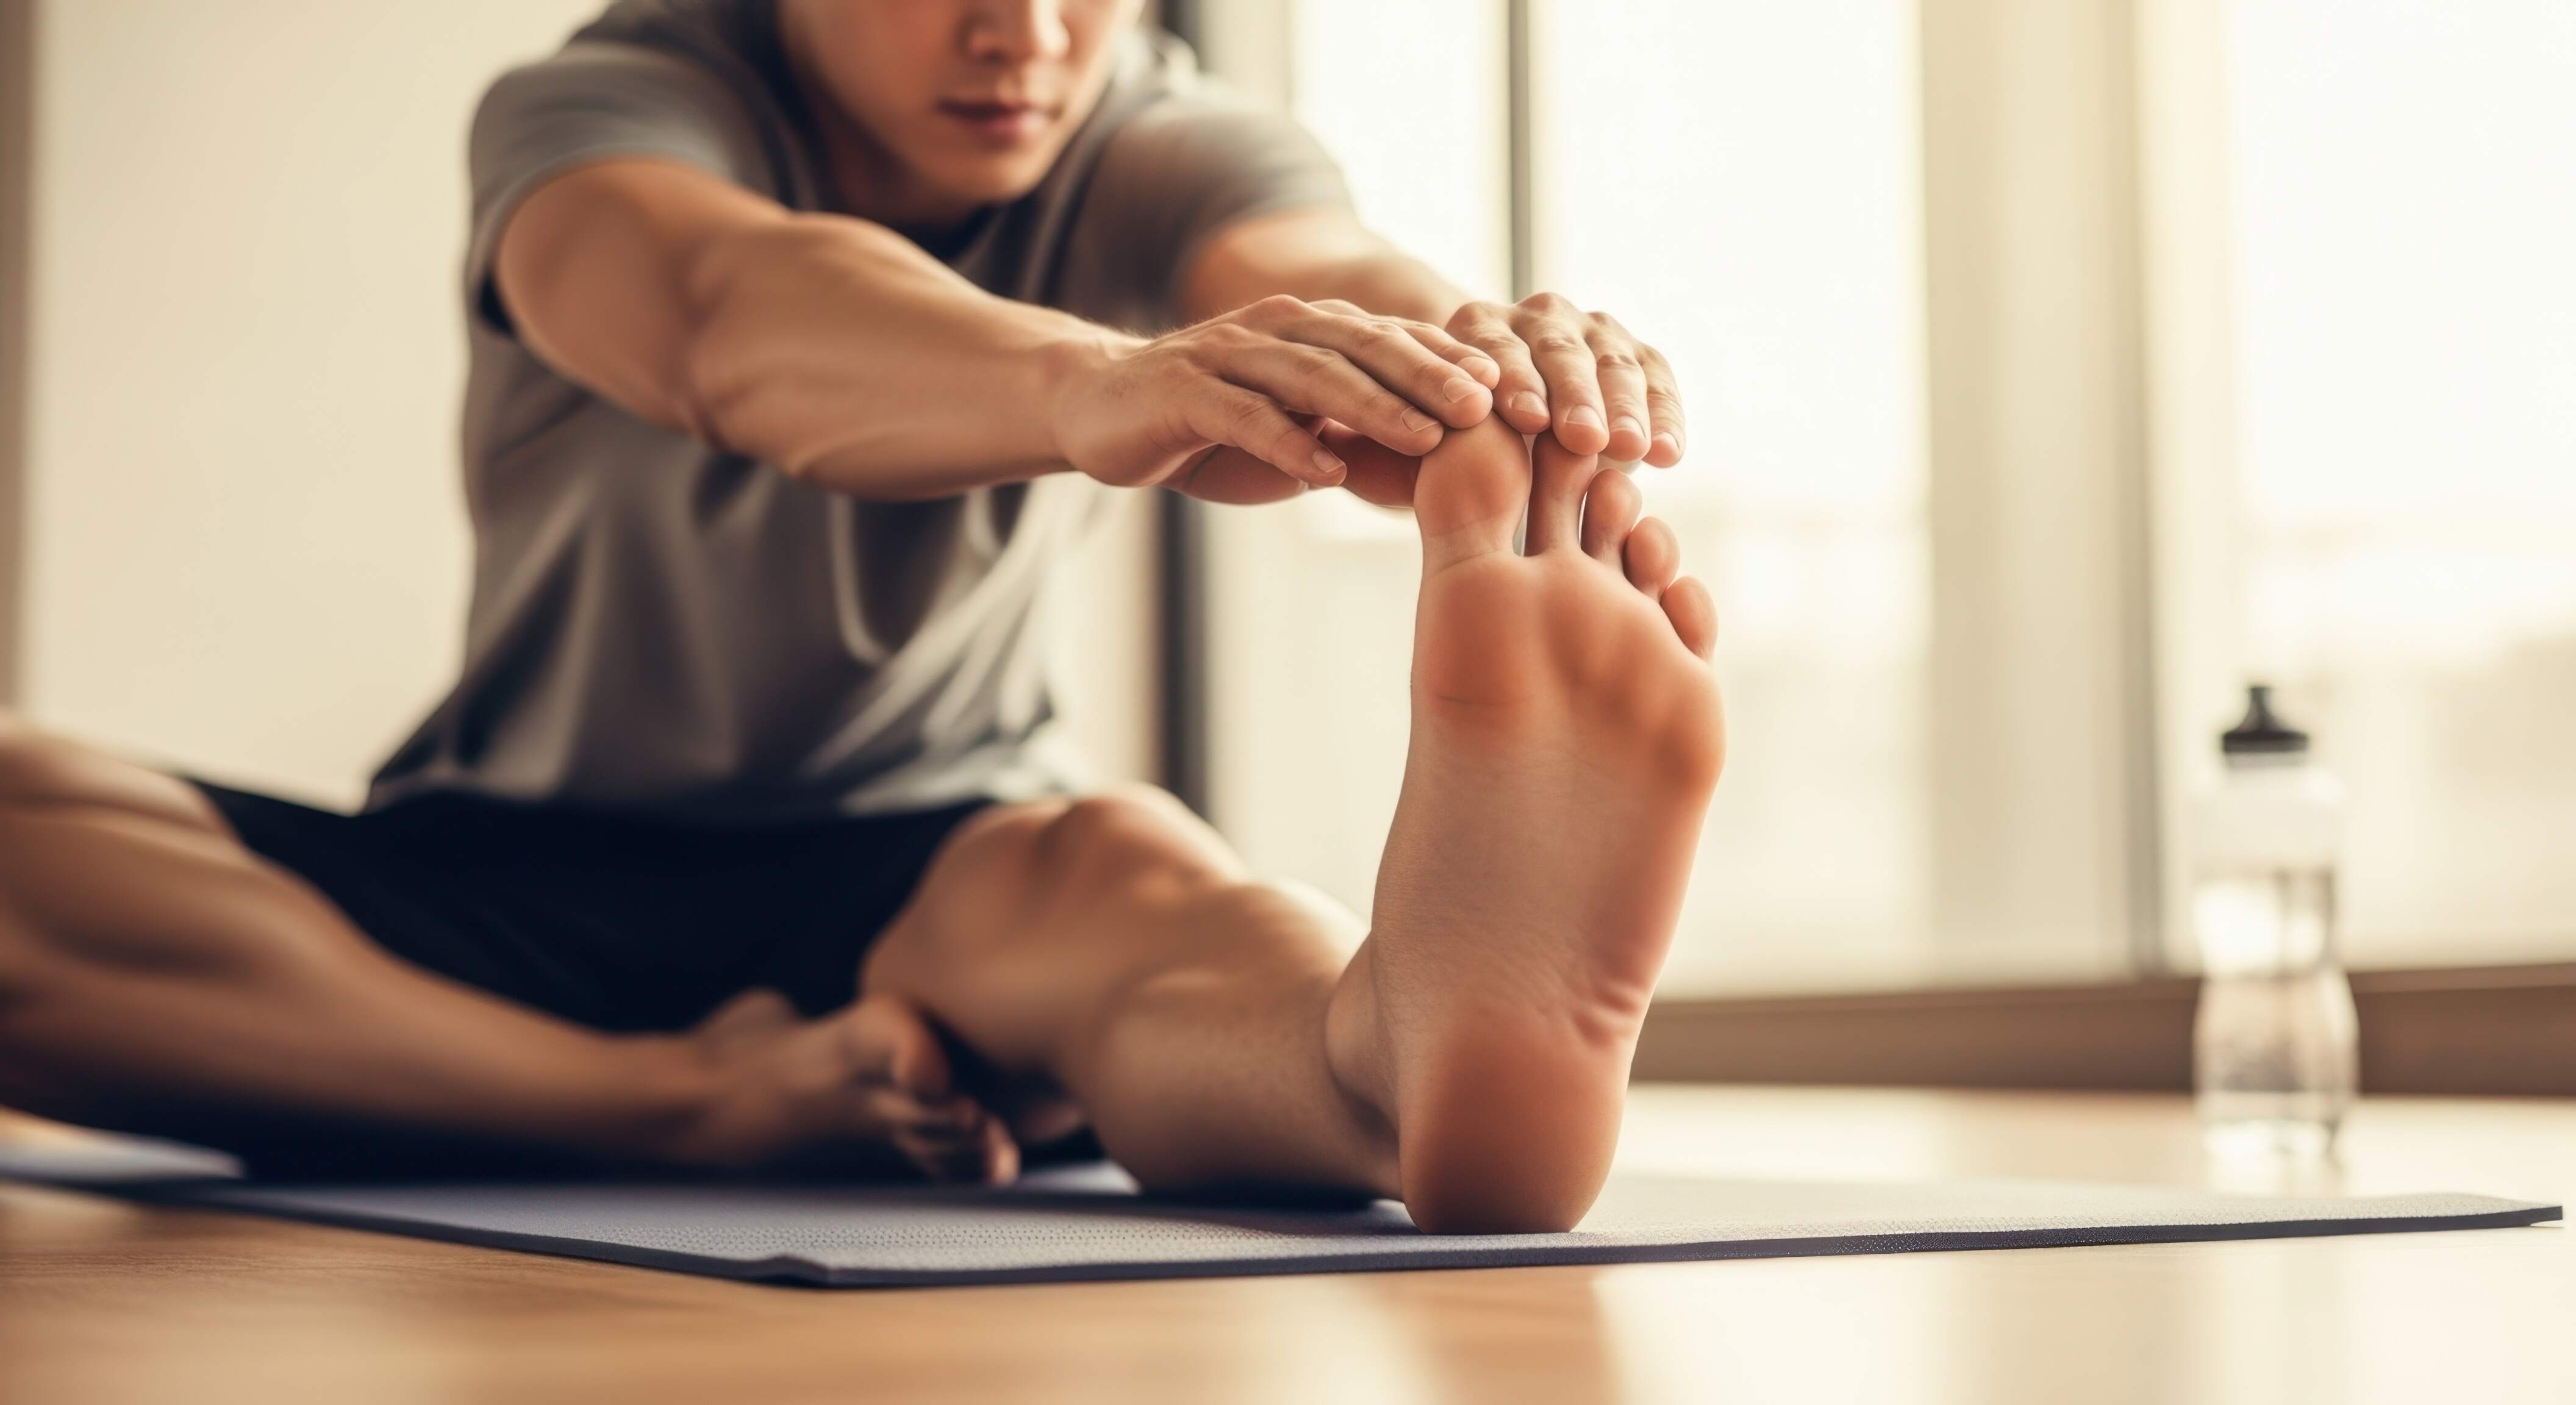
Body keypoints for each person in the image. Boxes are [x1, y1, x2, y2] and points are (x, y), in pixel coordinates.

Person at [0, 0, 1721, 1232]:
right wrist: (1098, 380)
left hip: (938, 873)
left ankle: (1394, 1059)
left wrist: (1473, 377)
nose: (1025, 32)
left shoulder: (1160, 132)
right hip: (502, 871)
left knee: (1130, 882)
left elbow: (1307, 255)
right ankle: (681, 1109)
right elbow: (718, 314)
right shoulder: (606, 106)